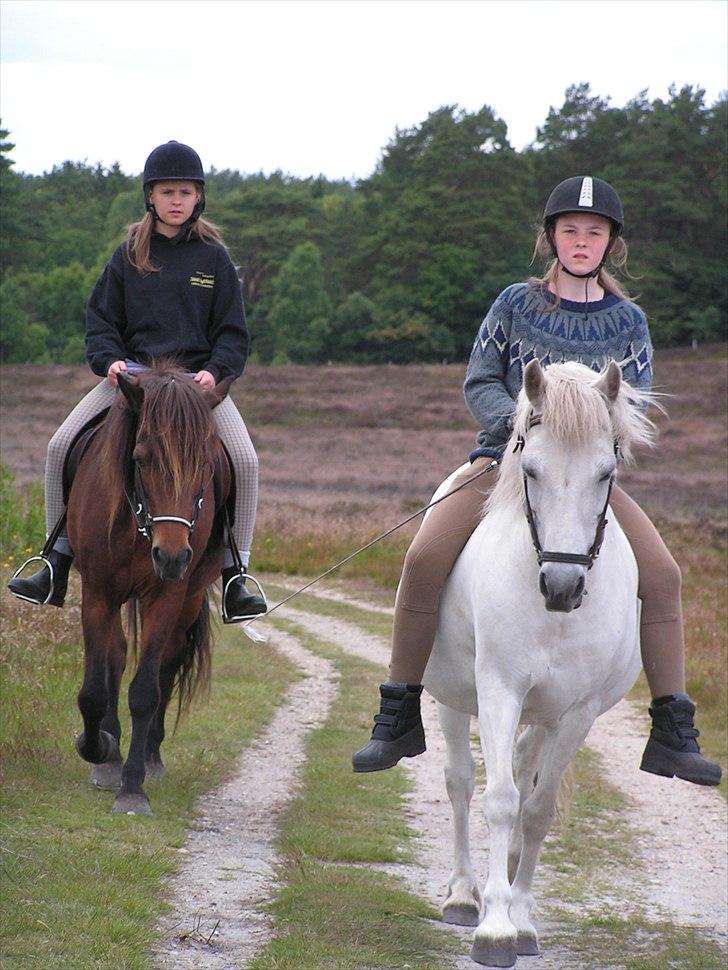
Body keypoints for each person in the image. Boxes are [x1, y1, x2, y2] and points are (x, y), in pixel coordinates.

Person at [352, 175, 721, 787]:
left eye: (594, 232)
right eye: (570, 231)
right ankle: (398, 712)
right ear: (551, 237)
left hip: (585, 477)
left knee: (663, 576)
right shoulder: (514, 305)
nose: (581, 241)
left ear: (611, 244)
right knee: (423, 557)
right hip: (505, 461)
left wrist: (585, 440)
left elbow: (634, 406)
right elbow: (479, 382)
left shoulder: (628, 323)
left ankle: (672, 729)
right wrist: (525, 428)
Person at [8, 140, 266, 623]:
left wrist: (217, 369)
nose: (175, 200)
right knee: (60, 446)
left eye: (185, 192)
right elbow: (101, 321)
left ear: (198, 198)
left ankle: (236, 574)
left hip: (194, 390)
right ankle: (54, 559)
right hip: (133, 381)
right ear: (150, 196)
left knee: (246, 462)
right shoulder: (128, 254)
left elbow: (234, 333)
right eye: (167, 191)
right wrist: (109, 362)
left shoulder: (214, 259)